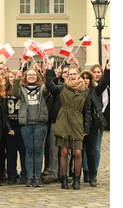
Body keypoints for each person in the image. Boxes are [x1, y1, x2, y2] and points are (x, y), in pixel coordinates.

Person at [45, 61, 91, 190]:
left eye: (74, 74)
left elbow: (87, 111)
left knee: (77, 153)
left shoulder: (85, 90)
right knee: (63, 152)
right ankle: (64, 179)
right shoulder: (62, 87)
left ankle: (76, 179)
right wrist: (49, 70)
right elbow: (50, 86)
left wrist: (86, 128)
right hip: (63, 121)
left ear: (78, 75)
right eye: (70, 74)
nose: (72, 76)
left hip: (77, 122)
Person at [12, 67, 50, 187]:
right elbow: (15, 93)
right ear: (26, 77)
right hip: (26, 124)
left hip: (40, 124)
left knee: (38, 151)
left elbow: (49, 88)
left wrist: (46, 73)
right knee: (29, 151)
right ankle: (29, 177)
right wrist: (17, 79)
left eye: (34, 74)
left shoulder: (42, 88)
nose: (32, 76)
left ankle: (37, 177)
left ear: (38, 77)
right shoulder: (22, 89)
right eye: (29, 75)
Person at [80, 60, 110, 187]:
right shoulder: (76, 91)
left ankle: (93, 175)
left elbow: (103, 84)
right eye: (84, 78)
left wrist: (107, 70)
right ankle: (83, 174)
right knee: (80, 151)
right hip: (78, 125)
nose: (86, 80)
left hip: (92, 125)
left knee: (92, 151)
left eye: (88, 78)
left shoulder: (94, 92)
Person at [5, 70, 27, 185]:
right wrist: (9, 128)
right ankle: (12, 174)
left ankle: (24, 174)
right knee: (11, 152)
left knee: (23, 151)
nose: (12, 79)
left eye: (15, 77)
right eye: (11, 77)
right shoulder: (4, 91)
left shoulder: (23, 90)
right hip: (10, 126)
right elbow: (3, 112)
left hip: (22, 125)